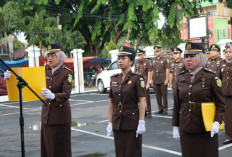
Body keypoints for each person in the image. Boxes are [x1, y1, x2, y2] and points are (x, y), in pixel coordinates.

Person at [172, 42, 225, 157]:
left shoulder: (211, 77)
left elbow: (221, 103)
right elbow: (177, 104)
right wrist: (175, 125)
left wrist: (217, 122)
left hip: (205, 127)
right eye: (186, 56)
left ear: (200, 57)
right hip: (186, 126)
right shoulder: (181, 77)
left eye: (192, 56)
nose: (188, 59)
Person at [106, 46, 146, 157]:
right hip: (118, 121)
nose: (120, 60)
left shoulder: (137, 78)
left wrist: (141, 122)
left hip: (132, 122)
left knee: (132, 152)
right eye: (119, 58)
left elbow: (142, 101)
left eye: (123, 58)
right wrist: (110, 121)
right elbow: (111, 102)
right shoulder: (114, 79)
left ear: (131, 61)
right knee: (120, 152)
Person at [40, 43, 73, 157]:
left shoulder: (66, 73)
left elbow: (66, 94)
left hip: (60, 117)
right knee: (47, 148)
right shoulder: (46, 72)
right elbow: (30, 83)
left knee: (60, 149)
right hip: (47, 116)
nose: (49, 58)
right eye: (48, 55)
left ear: (60, 56)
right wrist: (11, 79)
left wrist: (54, 96)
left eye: (52, 55)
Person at [217, 45, 232, 145]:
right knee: (227, 116)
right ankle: (229, 137)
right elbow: (217, 78)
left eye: (230, 52)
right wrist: (219, 88)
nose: (228, 54)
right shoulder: (221, 63)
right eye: (226, 52)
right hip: (225, 94)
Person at [134, 49, 152, 118]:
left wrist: (148, 83)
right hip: (139, 82)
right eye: (138, 55)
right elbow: (135, 73)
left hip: (144, 82)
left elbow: (149, 72)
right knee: (140, 98)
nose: (139, 56)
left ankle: (149, 112)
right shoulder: (136, 62)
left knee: (147, 98)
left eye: (140, 55)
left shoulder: (147, 62)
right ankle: (143, 112)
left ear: (143, 55)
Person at [151, 46, 169, 114]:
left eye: (158, 51)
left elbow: (167, 69)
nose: (157, 53)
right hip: (155, 79)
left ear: (160, 51)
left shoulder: (165, 59)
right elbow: (152, 70)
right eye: (156, 51)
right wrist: (151, 79)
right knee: (157, 95)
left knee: (164, 95)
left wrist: (166, 79)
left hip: (163, 79)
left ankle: (165, 108)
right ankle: (160, 108)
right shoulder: (153, 59)